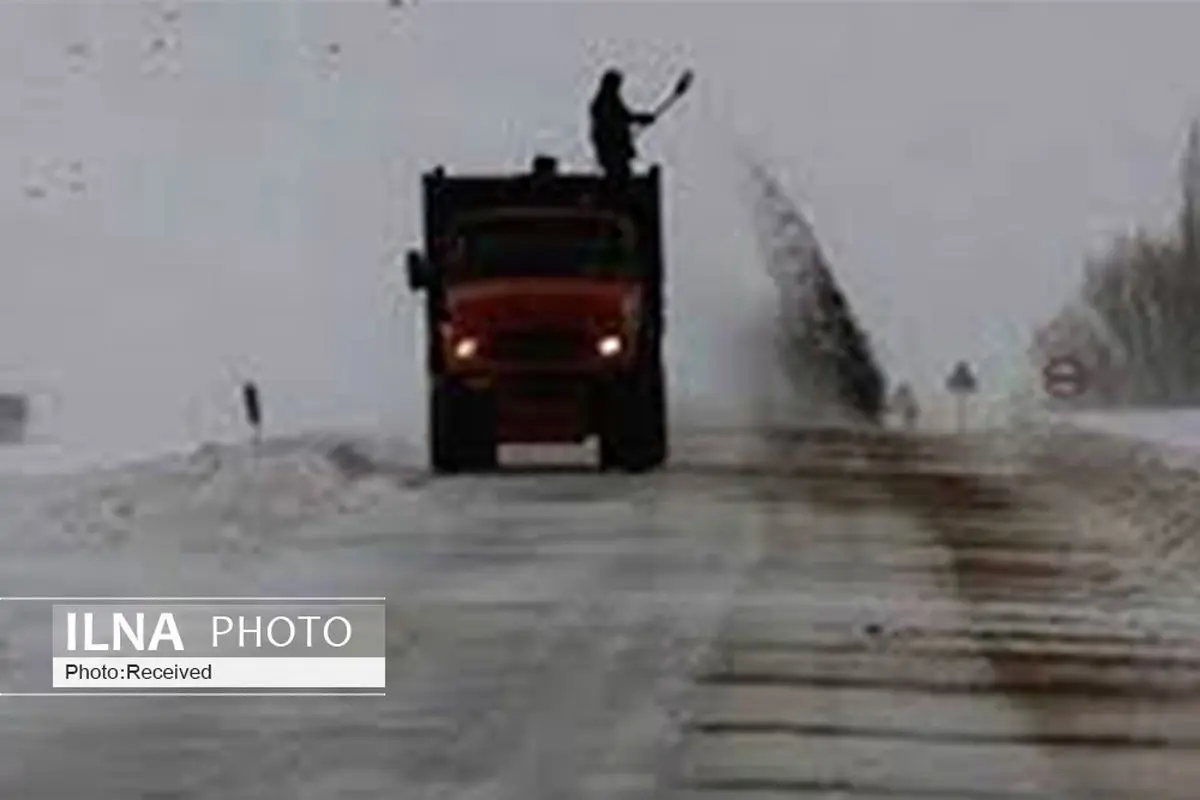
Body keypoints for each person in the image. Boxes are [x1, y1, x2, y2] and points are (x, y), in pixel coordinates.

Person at [589, 69, 656, 181]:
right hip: (610, 145)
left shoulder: (612, 100)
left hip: (615, 145)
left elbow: (624, 116)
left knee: (622, 173)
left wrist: (641, 118)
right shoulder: (604, 101)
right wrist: (639, 119)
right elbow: (616, 119)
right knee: (617, 174)